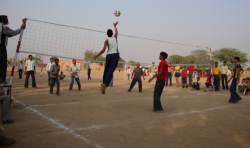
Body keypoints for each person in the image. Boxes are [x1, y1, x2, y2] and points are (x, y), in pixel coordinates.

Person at [93, 21, 120, 94]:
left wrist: (96, 56)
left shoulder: (106, 40)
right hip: (115, 55)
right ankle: (105, 84)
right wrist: (115, 26)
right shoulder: (115, 37)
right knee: (111, 70)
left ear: (107, 35)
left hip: (108, 56)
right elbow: (117, 32)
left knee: (106, 70)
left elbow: (103, 50)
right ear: (112, 34)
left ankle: (103, 83)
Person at [0, 16, 26, 83]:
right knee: (2, 64)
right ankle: (2, 80)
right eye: (6, 19)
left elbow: (9, 34)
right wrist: (21, 29)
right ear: (3, 20)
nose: (8, 21)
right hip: (1, 47)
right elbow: (12, 33)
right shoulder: (3, 27)